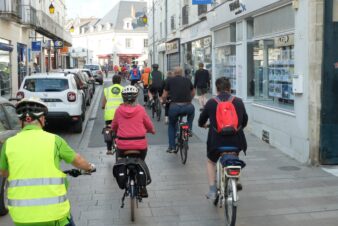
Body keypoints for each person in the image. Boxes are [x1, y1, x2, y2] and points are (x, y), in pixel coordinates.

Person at [0, 97, 95, 226]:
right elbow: (77, 160)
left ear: (21, 121)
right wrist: (89, 167)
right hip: (54, 215)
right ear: (42, 119)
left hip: (21, 217)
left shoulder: (9, 144)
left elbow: (4, 172)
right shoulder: (55, 140)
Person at [198, 77, 248, 200]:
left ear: (217, 89)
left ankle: (212, 190)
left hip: (217, 143)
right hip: (236, 142)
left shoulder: (211, 102)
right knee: (235, 153)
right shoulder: (238, 101)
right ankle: (236, 180)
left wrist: (205, 125)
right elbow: (244, 122)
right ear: (230, 88)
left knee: (211, 161)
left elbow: (201, 121)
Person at [111, 85, 155, 161]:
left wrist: (114, 130)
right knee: (142, 161)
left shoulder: (118, 110)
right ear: (136, 97)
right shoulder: (141, 109)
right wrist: (152, 130)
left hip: (123, 144)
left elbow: (114, 126)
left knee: (119, 161)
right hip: (140, 144)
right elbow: (148, 124)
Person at [162, 67, 195, 153]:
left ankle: (172, 147)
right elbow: (193, 92)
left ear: (174, 73)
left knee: (172, 125)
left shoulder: (170, 80)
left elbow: (164, 95)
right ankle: (189, 129)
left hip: (175, 107)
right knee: (191, 114)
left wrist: (164, 102)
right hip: (188, 106)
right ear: (182, 73)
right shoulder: (188, 80)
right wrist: (189, 100)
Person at [102, 75, 124, 155]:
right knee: (122, 129)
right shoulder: (123, 89)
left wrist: (103, 107)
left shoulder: (107, 90)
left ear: (112, 81)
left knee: (108, 130)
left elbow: (103, 103)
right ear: (120, 80)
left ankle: (109, 149)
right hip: (121, 115)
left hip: (109, 115)